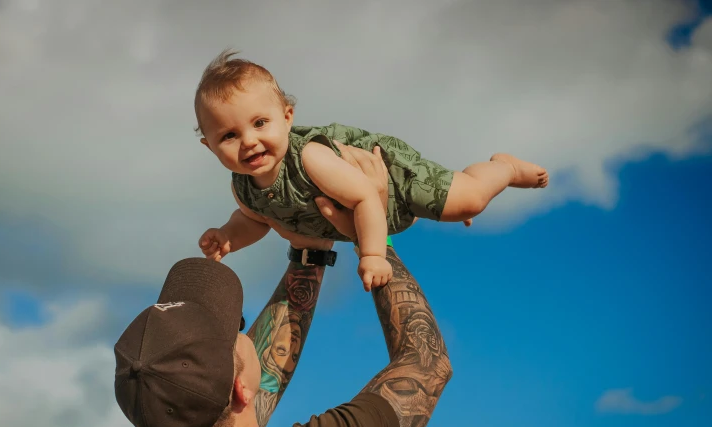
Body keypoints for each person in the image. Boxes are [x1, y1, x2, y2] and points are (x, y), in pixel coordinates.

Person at [116, 144, 453, 427]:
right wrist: (374, 237)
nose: (243, 330)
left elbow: (231, 397)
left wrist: (309, 251)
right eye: (236, 328)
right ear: (241, 389)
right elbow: (427, 363)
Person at [197, 48, 549, 291]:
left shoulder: (309, 159)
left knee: (468, 201)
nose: (248, 141)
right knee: (448, 209)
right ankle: (454, 188)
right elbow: (255, 220)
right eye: (229, 135)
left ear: (287, 118)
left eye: (260, 123)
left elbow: (366, 195)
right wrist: (229, 235)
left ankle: (502, 168)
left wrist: (372, 255)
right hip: (369, 218)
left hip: (387, 178)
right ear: (209, 147)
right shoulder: (243, 187)